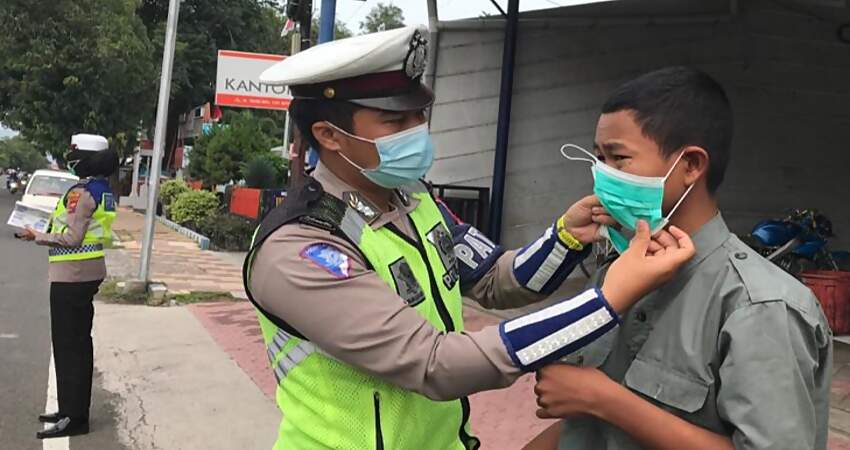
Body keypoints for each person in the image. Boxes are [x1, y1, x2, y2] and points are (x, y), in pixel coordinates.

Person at [243, 26, 696, 450]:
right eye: (395, 122)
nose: (418, 130)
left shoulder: (414, 200)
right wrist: (607, 301)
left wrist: (565, 238)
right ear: (329, 135)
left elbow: (494, 280)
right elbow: (434, 364)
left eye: (420, 114)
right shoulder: (302, 248)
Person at [527, 67, 832, 450]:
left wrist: (607, 401)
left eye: (618, 159)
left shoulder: (758, 306)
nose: (601, 175)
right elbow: (584, 429)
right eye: (598, 157)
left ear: (690, 165)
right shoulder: (616, 277)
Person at [17, 133, 118, 439]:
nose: (70, 159)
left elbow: (72, 238)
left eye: (75, 154)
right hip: (87, 272)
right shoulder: (104, 190)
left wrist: (39, 236)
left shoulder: (82, 193)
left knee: (69, 346)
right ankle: (70, 410)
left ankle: (74, 417)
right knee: (76, 344)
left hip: (72, 276)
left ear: (85, 158)